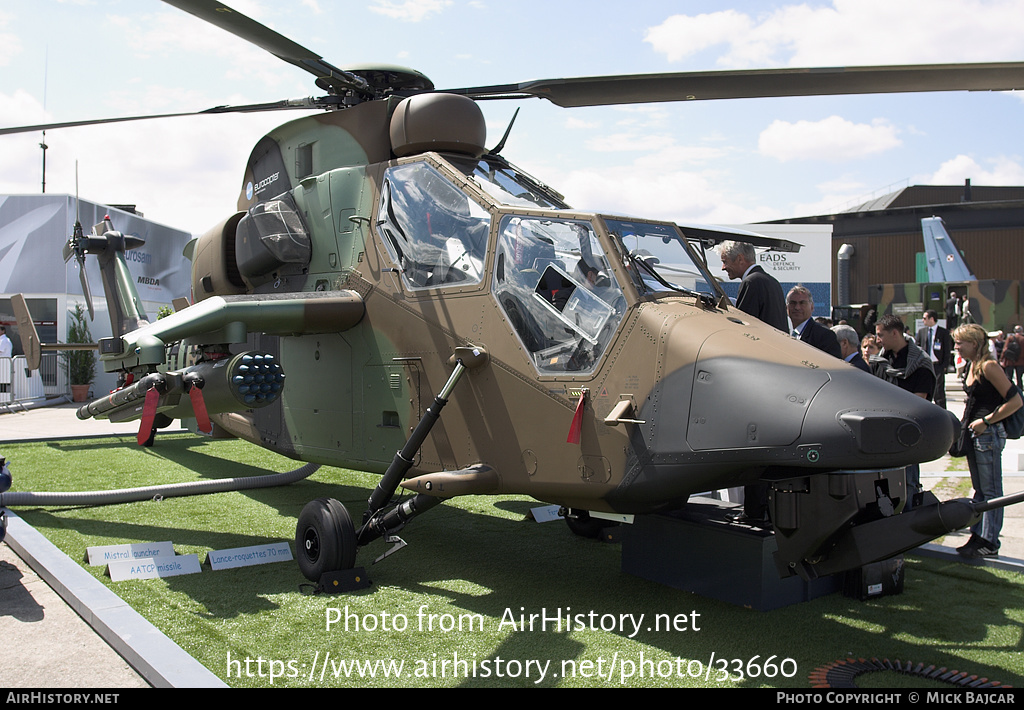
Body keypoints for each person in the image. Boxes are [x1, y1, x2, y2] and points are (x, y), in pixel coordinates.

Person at [952, 323, 1023, 558]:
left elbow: (1015, 401)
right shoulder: (973, 365)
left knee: (991, 490)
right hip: (975, 435)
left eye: (960, 343)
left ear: (974, 343)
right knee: (980, 490)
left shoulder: (989, 366)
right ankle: (978, 535)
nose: (957, 347)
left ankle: (989, 541)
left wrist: (987, 421)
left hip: (988, 435)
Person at [872, 314, 936, 509]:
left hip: (908, 435)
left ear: (894, 333)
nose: (877, 340)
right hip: (883, 436)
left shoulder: (920, 364)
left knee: (908, 485)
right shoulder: (881, 362)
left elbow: (919, 401)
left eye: (881, 335)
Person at [717, 241, 787, 332]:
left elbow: (744, 326)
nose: (723, 267)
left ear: (740, 259)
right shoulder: (772, 281)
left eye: (725, 262)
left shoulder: (751, 282)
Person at [787, 285, 841, 358]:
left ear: (812, 307)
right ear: (787, 307)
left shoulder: (824, 335)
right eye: (793, 303)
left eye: (802, 303)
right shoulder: (786, 333)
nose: (797, 307)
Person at [916, 310, 951, 408]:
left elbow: (947, 350)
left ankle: (942, 412)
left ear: (931, 319)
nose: (923, 320)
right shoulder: (922, 332)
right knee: (925, 389)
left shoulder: (943, 332)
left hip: (937, 365)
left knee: (939, 391)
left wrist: (944, 366)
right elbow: (917, 348)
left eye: (924, 318)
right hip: (925, 365)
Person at [1001, 325, 1024, 389]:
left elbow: (1005, 349)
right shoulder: (1023, 339)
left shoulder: (1010, 338)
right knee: (1019, 378)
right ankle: (1020, 391)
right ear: (1021, 331)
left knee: (1009, 377)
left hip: (1010, 360)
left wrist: (1001, 359)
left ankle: (1009, 390)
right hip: (1020, 361)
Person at [0, 326, 11, 395]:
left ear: (3, 331)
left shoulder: (3, 340)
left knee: (2, 381)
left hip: (3, 363)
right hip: (3, 363)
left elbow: (0, 351)